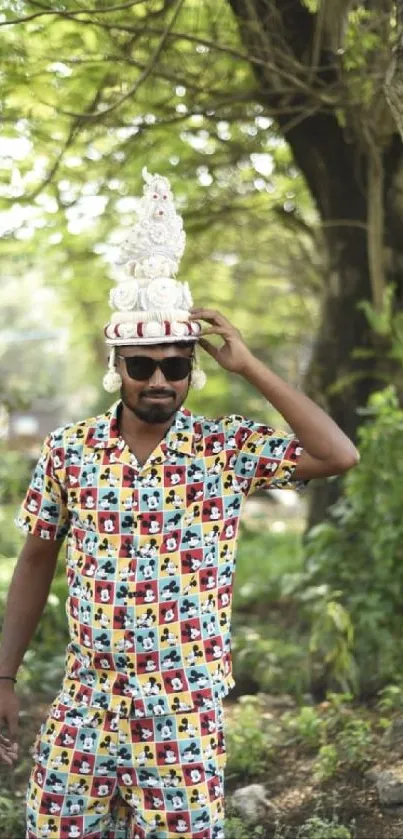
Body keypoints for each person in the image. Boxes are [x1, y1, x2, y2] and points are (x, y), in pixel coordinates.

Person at [0, 170, 359, 839]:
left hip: (181, 709)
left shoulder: (226, 449)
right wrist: (4, 673)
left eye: (175, 364)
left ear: (193, 366)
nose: (159, 379)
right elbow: (36, 557)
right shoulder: (69, 449)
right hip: (87, 702)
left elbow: (338, 454)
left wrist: (249, 366)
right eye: (142, 365)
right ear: (119, 366)